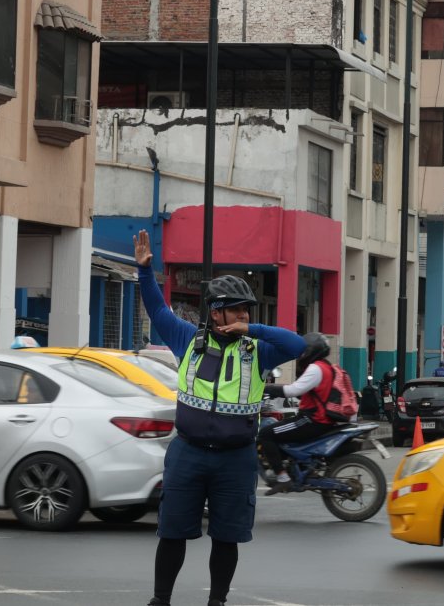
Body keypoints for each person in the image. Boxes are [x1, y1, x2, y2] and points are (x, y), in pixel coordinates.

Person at [133, 230, 305, 606]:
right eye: (237, 310)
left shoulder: (257, 351)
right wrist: (145, 271)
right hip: (188, 454)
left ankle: (217, 602)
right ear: (216, 312)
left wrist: (252, 329)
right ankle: (161, 601)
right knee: (172, 532)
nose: (244, 316)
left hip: (236, 458)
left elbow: (297, 344)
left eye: (247, 311)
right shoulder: (187, 340)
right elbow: (159, 311)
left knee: (227, 537)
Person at [258, 333, 344, 494]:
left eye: (303, 351)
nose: (301, 354)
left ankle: (283, 478)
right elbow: (308, 392)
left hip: (311, 420)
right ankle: (292, 467)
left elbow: (293, 390)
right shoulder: (327, 367)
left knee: (266, 434)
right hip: (321, 420)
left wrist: (266, 389)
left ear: (311, 350)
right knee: (279, 432)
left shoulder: (315, 368)